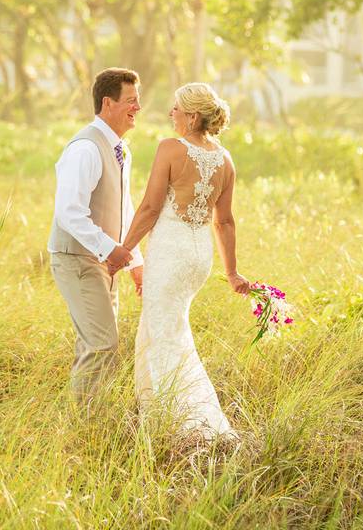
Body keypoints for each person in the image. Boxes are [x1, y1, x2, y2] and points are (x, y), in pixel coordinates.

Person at [118, 82, 249, 443]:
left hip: (171, 252)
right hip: (198, 257)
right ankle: (169, 416)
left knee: (162, 335)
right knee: (170, 330)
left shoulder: (171, 149)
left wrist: (124, 252)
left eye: (176, 108)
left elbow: (149, 208)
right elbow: (224, 221)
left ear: (192, 116)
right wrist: (232, 272)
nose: (170, 113)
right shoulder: (225, 160)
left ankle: (181, 424)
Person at [48, 68, 144, 408]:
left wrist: (134, 260)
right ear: (108, 102)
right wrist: (110, 249)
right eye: (131, 101)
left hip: (107, 262)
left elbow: (124, 206)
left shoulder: (122, 150)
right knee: (103, 344)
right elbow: (69, 212)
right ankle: (85, 425)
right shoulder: (86, 148)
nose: (138, 107)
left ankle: (90, 422)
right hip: (77, 259)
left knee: (94, 343)